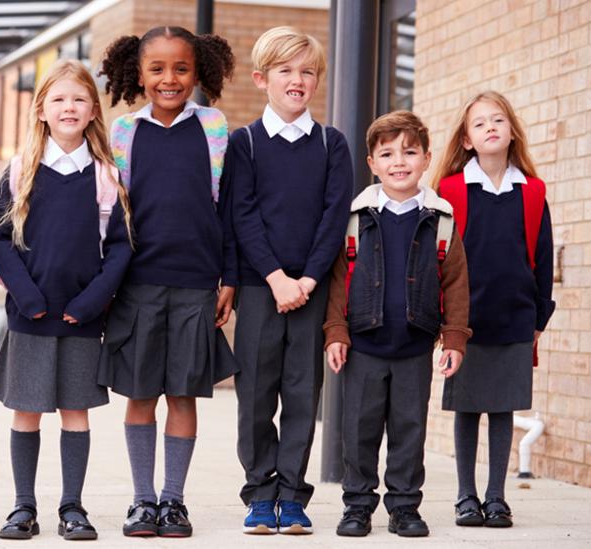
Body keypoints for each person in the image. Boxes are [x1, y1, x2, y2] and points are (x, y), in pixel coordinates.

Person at [97, 25, 237, 538]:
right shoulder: (123, 133)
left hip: (197, 283)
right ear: (139, 73)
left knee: (183, 395)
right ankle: (141, 501)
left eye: (180, 68)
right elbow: (113, 214)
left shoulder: (215, 127)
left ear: (198, 71)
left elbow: (226, 210)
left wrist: (230, 278)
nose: (169, 78)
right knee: (139, 395)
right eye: (157, 69)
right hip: (136, 285)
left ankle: (173, 500)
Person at [0, 59, 134, 542]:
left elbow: (119, 247)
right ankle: (22, 506)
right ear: (41, 109)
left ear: (93, 109)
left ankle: (72, 506)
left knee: (75, 412)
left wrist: (94, 300)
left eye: (78, 99)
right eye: (59, 99)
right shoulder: (21, 169)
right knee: (26, 410)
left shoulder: (105, 174)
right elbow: (0, 240)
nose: (69, 107)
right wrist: (26, 296)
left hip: (82, 317)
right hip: (32, 313)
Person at [227, 26, 353, 535]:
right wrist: (276, 277)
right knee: (256, 394)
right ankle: (260, 494)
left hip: (311, 288)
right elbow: (242, 214)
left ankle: (293, 497)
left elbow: (333, 217)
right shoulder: (246, 144)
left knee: (303, 393)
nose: (296, 80)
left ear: (318, 80)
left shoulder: (331, 144)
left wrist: (305, 280)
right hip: (261, 289)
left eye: (306, 71)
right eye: (285, 71)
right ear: (262, 79)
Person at [324, 110, 471, 538]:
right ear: (372, 163)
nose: (399, 162)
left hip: (414, 346)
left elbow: (457, 281)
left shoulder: (440, 219)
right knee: (359, 431)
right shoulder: (356, 217)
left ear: (426, 158)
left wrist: (454, 338)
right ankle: (357, 506)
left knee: (409, 430)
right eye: (387, 153)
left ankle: (405, 506)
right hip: (364, 346)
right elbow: (338, 281)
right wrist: (336, 331)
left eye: (409, 152)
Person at [434, 91, 555, 529]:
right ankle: (466, 497)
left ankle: (497, 497)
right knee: (467, 409)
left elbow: (543, 257)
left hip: (516, 316)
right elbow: (437, 258)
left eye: (498, 120)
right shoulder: (450, 190)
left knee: (503, 408)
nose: (490, 127)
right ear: (466, 139)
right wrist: (443, 320)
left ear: (511, 132)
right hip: (464, 321)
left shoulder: (533, 192)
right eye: (480, 123)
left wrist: (539, 318)